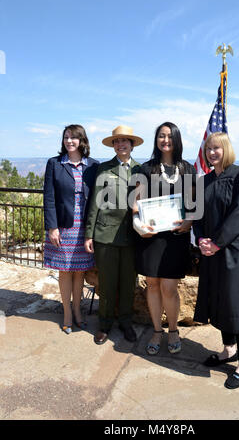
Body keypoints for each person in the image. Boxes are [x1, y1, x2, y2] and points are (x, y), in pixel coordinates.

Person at [193, 132, 239, 389]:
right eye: (208, 149)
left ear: (226, 149)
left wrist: (217, 242)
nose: (211, 153)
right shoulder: (204, 181)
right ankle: (228, 349)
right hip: (212, 252)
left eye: (216, 148)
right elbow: (197, 216)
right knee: (220, 301)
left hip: (236, 252)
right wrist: (200, 240)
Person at [132, 122, 197, 356]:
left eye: (169, 136)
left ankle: (173, 331)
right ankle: (157, 330)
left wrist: (189, 222)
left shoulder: (188, 169)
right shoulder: (145, 168)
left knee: (169, 287)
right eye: (161, 136)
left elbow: (194, 204)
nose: (165, 140)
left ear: (177, 139)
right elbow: (134, 204)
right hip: (151, 236)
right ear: (156, 140)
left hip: (176, 237)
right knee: (152, 284)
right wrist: (140, 226)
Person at [84, 125, 143, 345]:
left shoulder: (141, 170)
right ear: (113, 145)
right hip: (106, 235)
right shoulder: (104, 169)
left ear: (132, 144)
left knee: (129, 283)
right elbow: (95, 204)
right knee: (107, 284)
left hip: (132, 237)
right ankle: (105, 324)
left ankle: (126, 322)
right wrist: (89, 234)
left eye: (125, 141)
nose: (121, 145)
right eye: (117, 141)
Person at [43, 124, 99, 334]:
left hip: (84, 227)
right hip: (63, 226)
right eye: (66, 137)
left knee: (79, 272)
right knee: (65, 271)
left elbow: (96, 198)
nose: (69, 141)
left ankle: (78, 310)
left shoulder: (93, 165)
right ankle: (67, 312)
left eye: (73, 138)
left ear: (81, 141)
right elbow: (49, 197)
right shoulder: (55, 164)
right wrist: (52, 227)